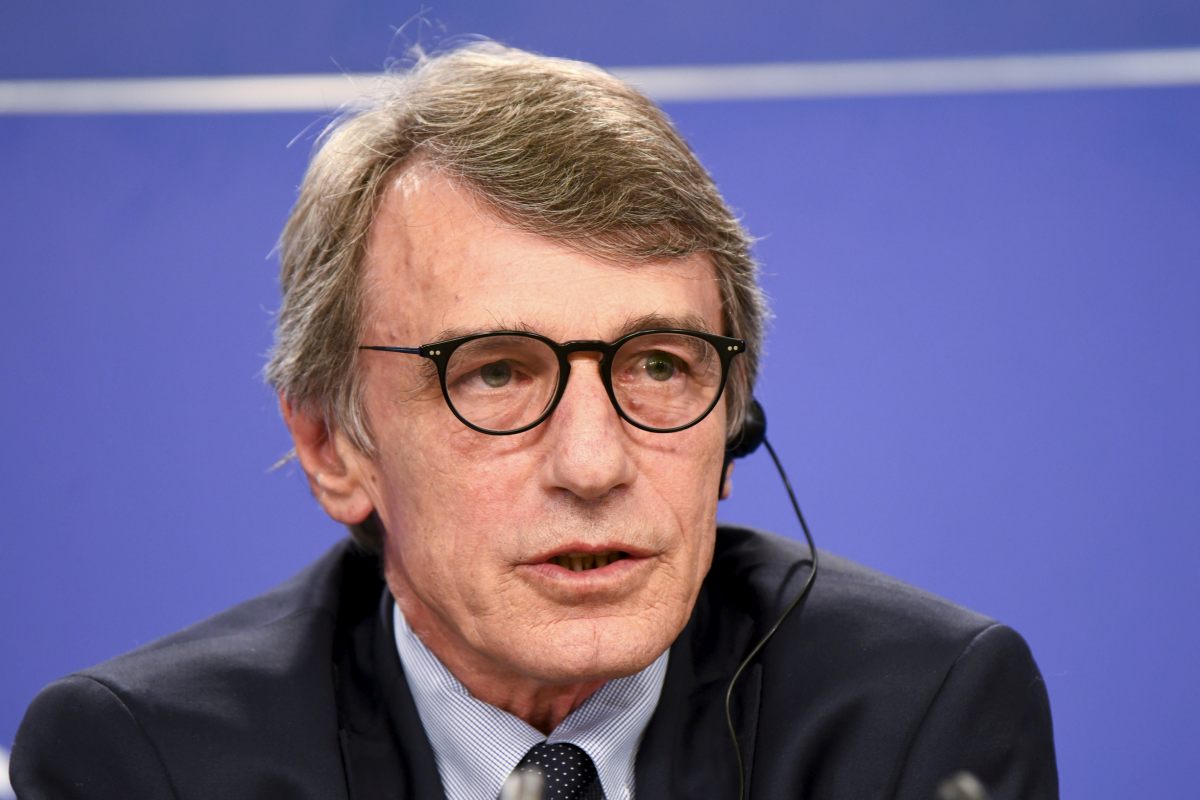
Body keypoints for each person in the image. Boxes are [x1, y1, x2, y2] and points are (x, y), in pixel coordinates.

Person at [11, 43, 1057, 799]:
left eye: (659, 365)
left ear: (732, 429)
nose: (594, 463)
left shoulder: (914, 721)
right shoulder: (148, 764)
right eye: (498, 374)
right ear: (333, 446)